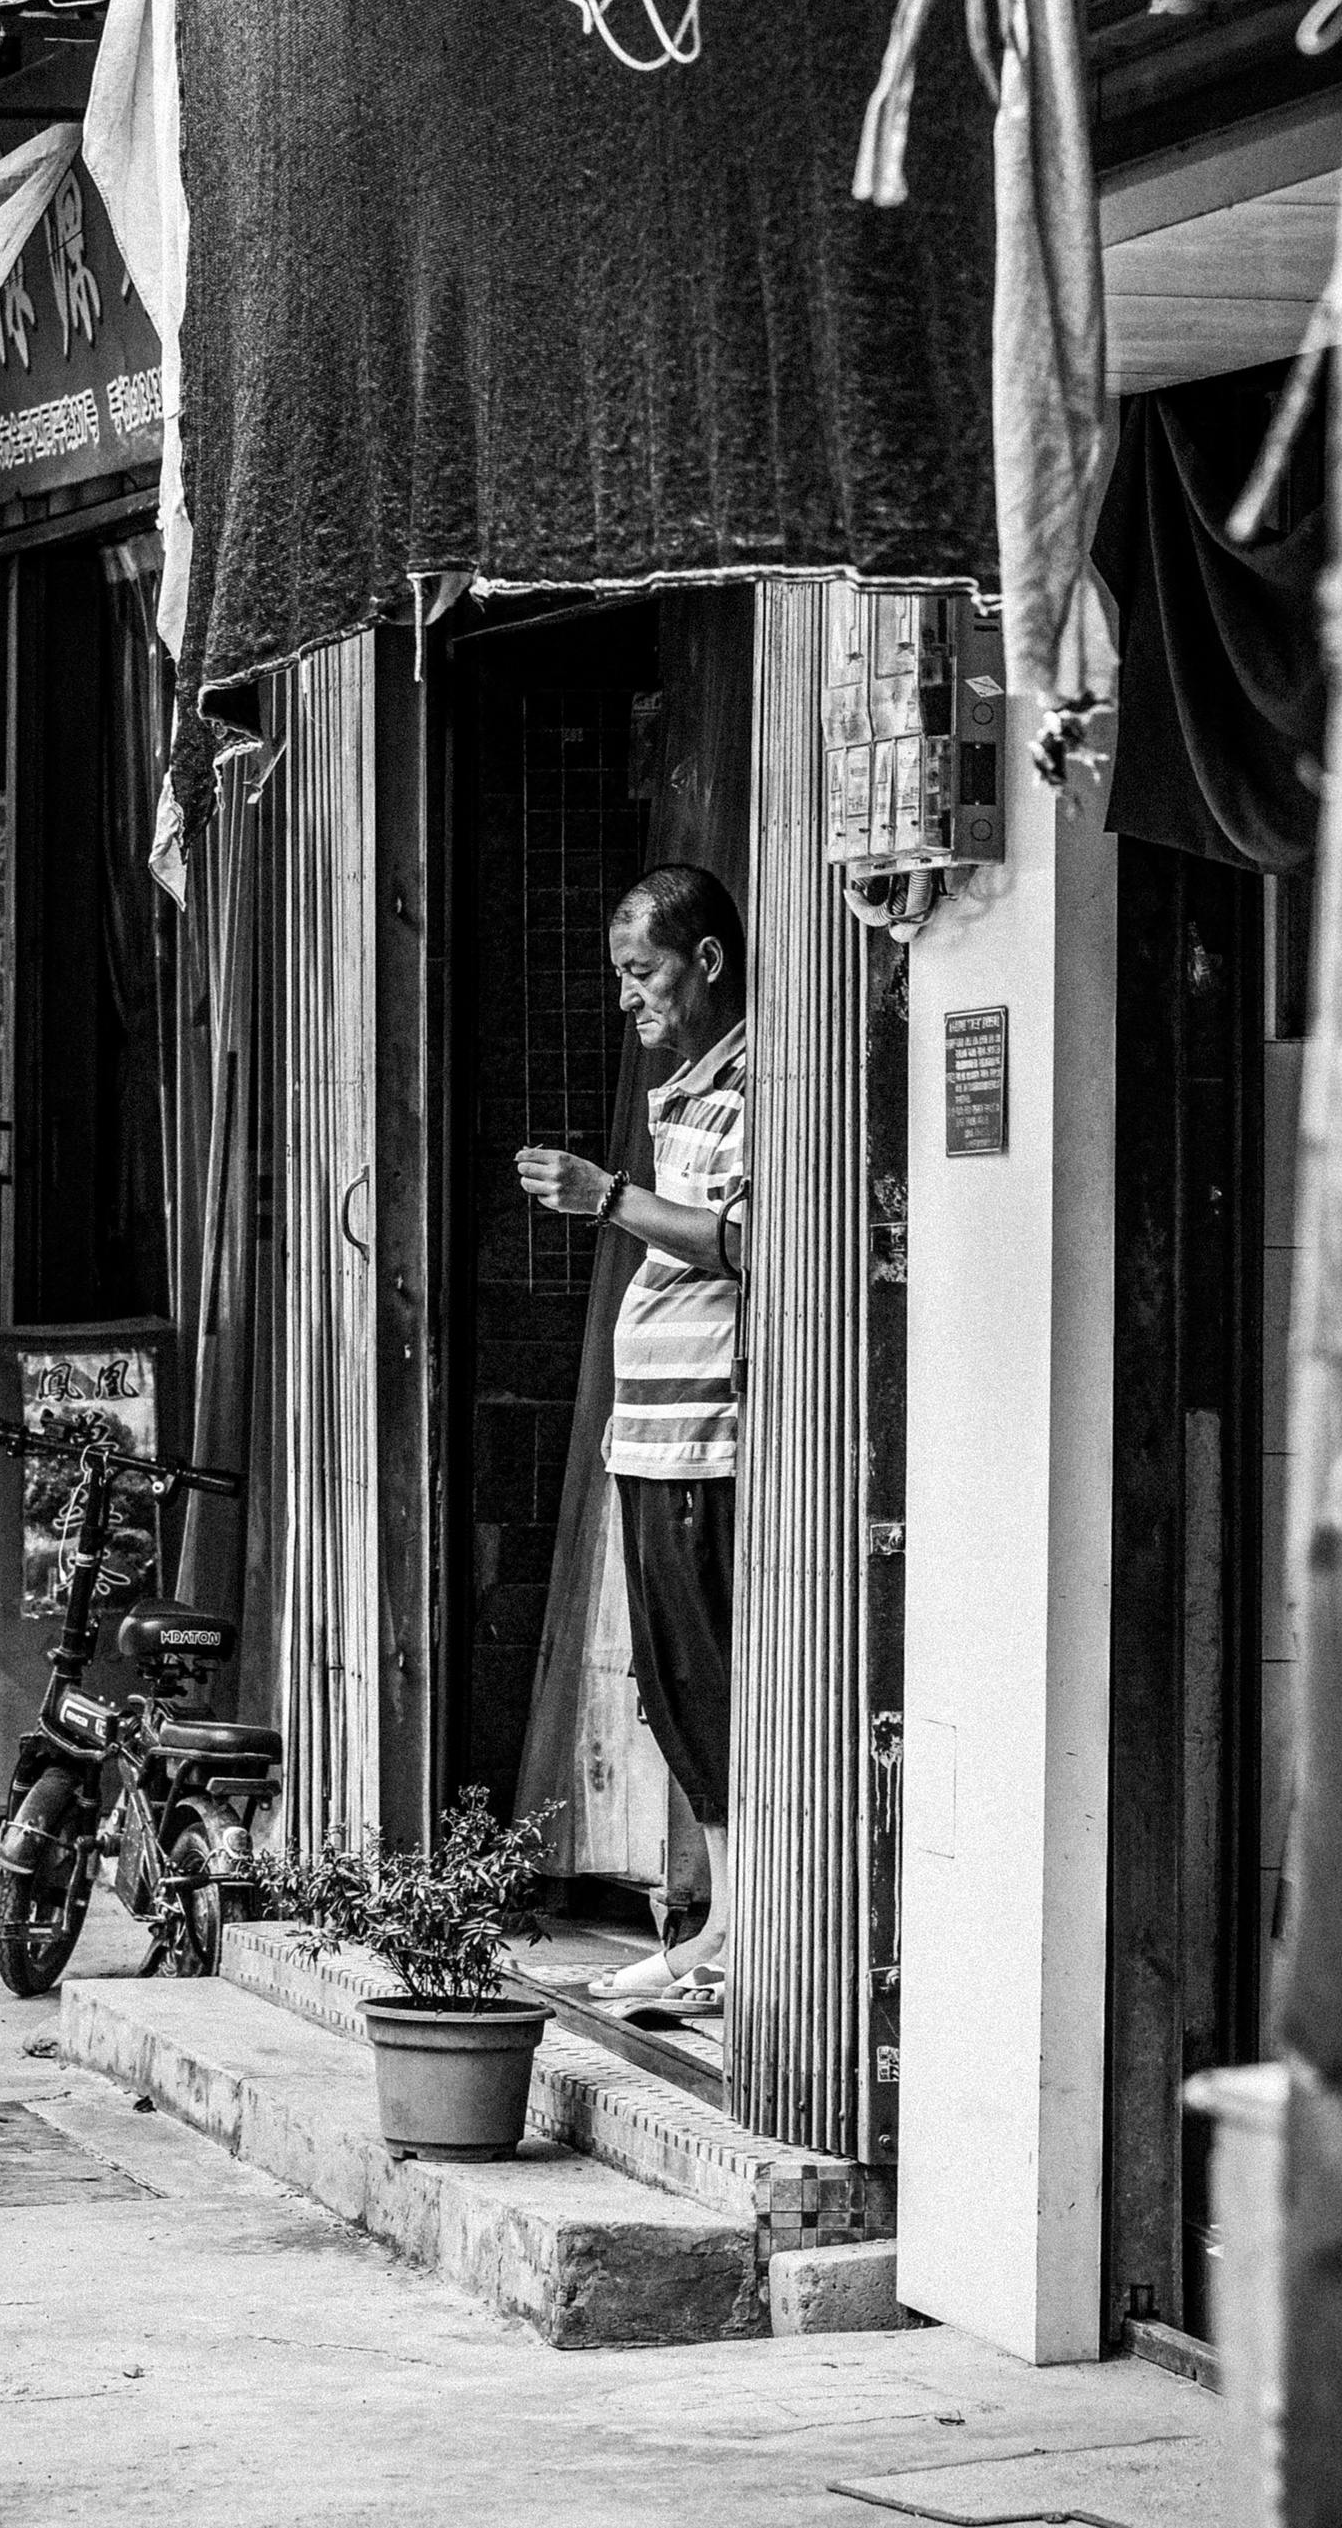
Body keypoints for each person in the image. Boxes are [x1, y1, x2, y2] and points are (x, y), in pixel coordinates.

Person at [516, 863, 746, 2019]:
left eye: (642, 973)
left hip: (708, 1443)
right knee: (671, 1691)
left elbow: (753, 1239)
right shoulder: (687, 1084)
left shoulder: (758, 1075)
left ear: (705, 961)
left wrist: (608, 1199)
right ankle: (718, 1924)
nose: (628, 1000)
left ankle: (742, 1932)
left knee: (709, 1687)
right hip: (650, 1442)